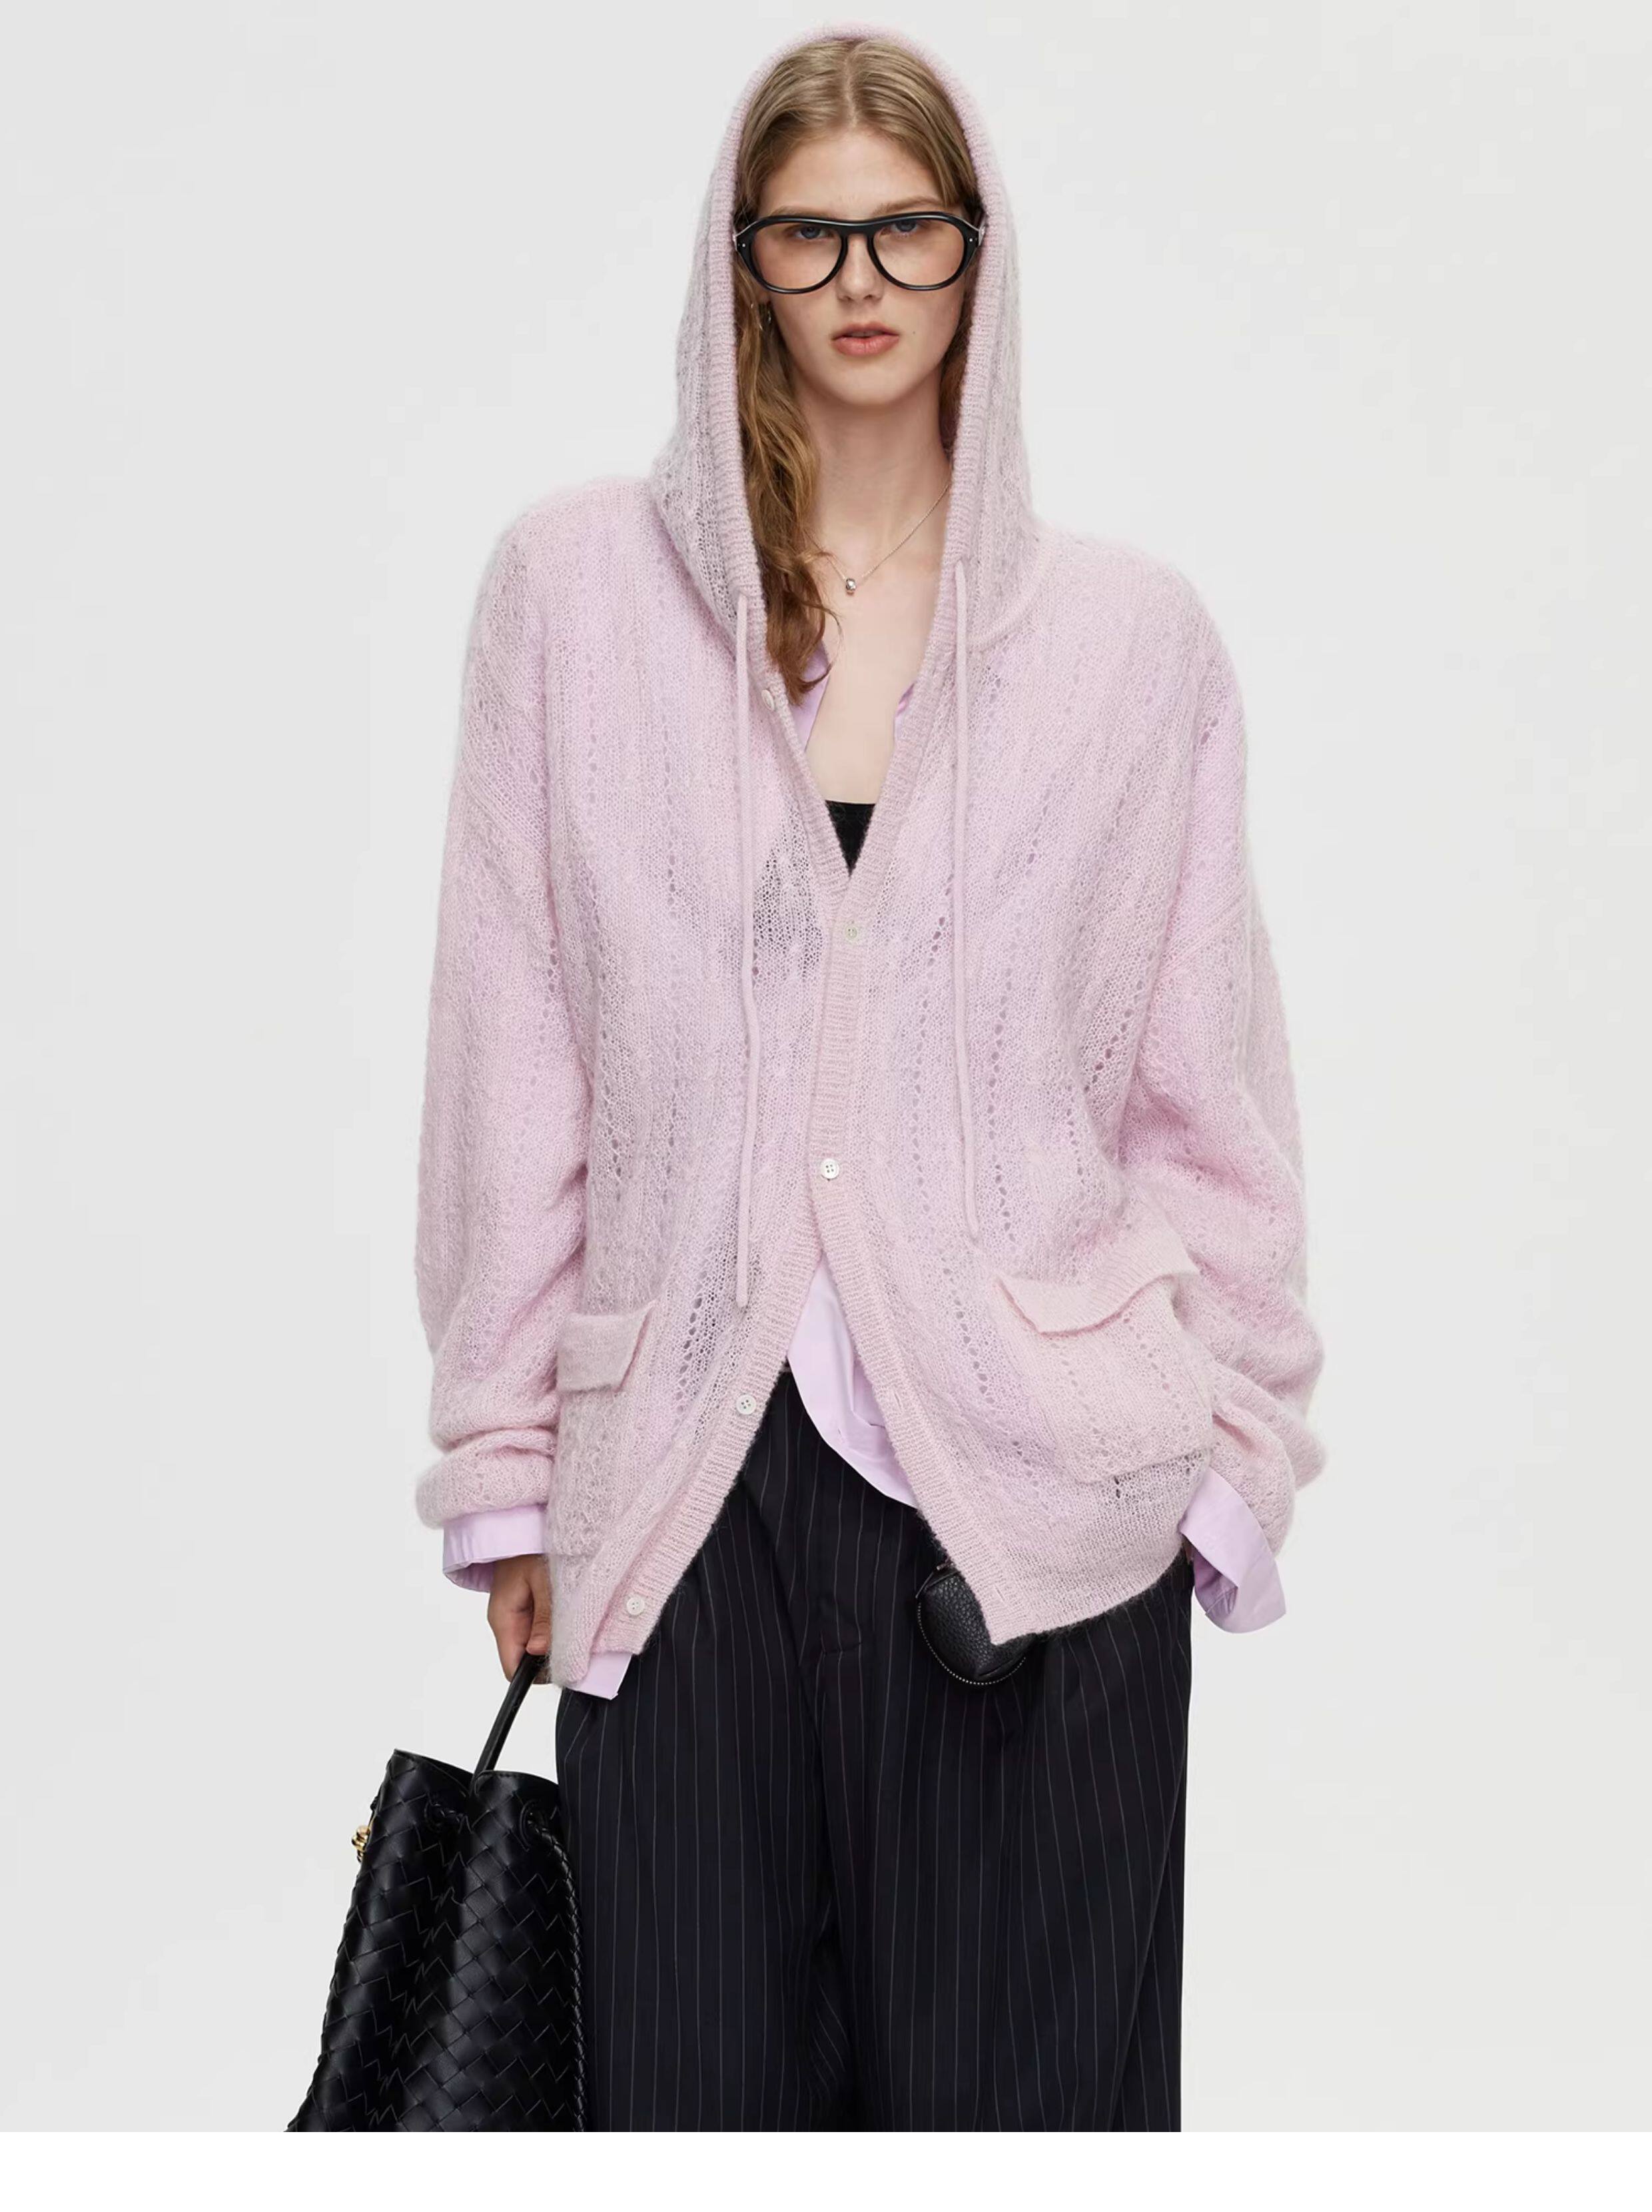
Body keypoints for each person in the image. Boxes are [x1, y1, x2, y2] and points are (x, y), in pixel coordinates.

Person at [412, 20, 1326, 2131]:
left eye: (907, 230)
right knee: (692, 2106)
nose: (860, 279)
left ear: (977, 256)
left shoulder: (1132, 647)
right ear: (737, 260)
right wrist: (506, 1467)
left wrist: (1229, 1458)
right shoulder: (575, 600)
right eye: (809, 233)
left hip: (1042, 1514)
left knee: (1028, 2130)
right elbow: (512, 1052)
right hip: (681, 1497)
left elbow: (1209, 1095)